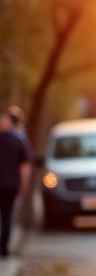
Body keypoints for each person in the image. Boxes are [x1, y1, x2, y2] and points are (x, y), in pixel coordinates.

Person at [0, 108, 31, 258]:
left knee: (5, 216)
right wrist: (24, 188)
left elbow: (25, 167)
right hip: (11, 185)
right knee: (7, 216)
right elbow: (25, 168)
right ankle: (3, 248)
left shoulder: (18, 140)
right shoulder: (20, 141)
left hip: (8, 185)